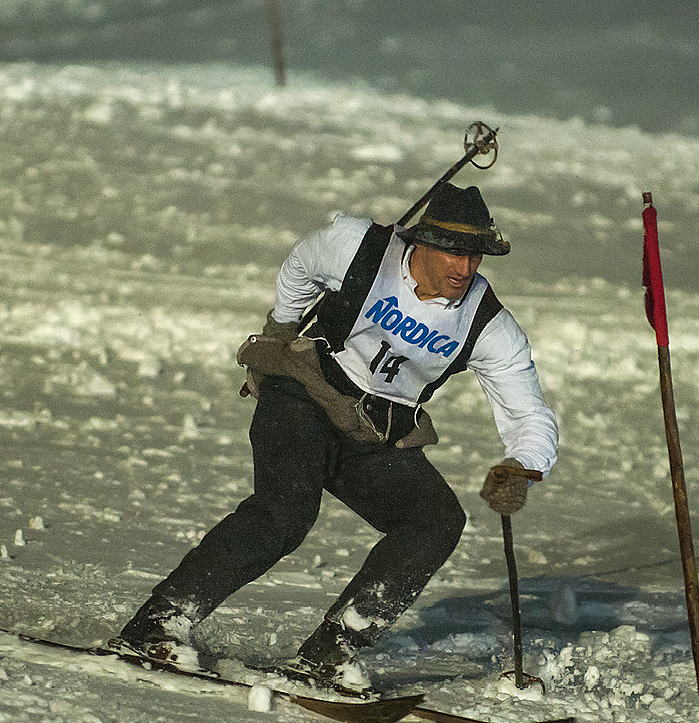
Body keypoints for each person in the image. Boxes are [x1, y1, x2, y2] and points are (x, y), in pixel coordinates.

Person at [115, 183, 558, 694]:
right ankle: (158, 623)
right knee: (285, 513)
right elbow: (301, 261)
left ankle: (329, 654)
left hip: (371, 431)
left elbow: (530, 413)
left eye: (476, 255)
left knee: (435, 520)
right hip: (302, 394)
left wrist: (521, 464)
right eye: (455, 252)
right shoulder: (360, 248)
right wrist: (282, 324)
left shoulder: (489, 324)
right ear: (422, 243)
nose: (466, 268)